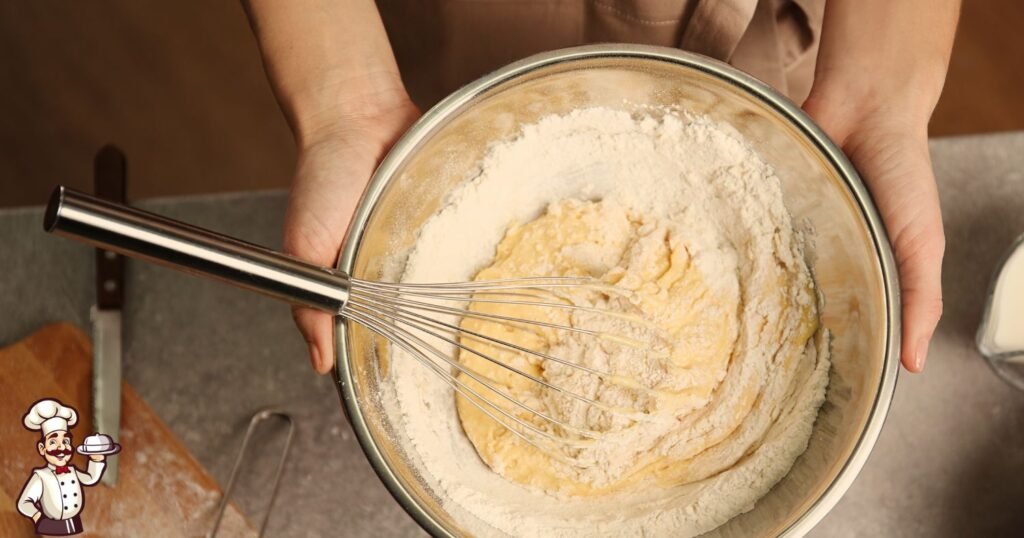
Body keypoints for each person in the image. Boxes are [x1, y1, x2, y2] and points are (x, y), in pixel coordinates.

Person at [241, 0, 959, 375]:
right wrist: (345, 93)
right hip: (451, 37)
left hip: (786, 45)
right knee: (451, 164)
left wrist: (879, 86)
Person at [17, 399, 107, 536]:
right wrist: (37, 516)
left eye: (65, 441)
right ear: (42, 448)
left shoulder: (72, 471)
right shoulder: (41, 476)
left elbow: (90, 479)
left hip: (74, 525)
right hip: (49, 526)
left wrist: (96, 460)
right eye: (53, 442)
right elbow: (24, 502)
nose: (61, 447)